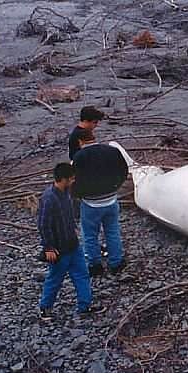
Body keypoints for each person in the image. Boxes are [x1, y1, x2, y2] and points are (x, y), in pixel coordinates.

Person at [37, 163, 104, 320]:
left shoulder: (67, 192)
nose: (74, 181)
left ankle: (85, 306)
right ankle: (45, 308)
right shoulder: (48, 198)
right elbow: (43, 225)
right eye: (71, 179)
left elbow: (69, 214)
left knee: (82, 275)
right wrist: (48, 247)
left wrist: (73, 227)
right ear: (63, 179)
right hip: (59, 249)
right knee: (55, 279)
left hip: (73, 245)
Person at [72, 129, 128, 277]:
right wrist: (116, 187)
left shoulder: (79, 157)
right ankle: (116, 263)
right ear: (94, 137)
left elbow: (73, 181)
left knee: (90, 235)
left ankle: (95, 265)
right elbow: (124, 170)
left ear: (80, 141)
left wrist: (78, 195)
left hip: (91, 203)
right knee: (112, 231)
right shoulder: (112, 151)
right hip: (111, 199)